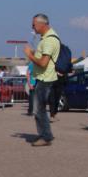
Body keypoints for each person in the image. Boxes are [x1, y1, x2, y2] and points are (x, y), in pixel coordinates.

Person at [23, 13, 60, 146]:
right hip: (43, 78)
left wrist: (30, 55)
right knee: (39, 109)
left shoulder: (49, 40)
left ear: (41, 24)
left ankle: (46, 136)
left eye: (33, 24)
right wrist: (34, 54)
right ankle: (44, 134)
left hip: (45, 79)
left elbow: (43, 63)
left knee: (39, 109)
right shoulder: (47, 38)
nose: (32, 27)